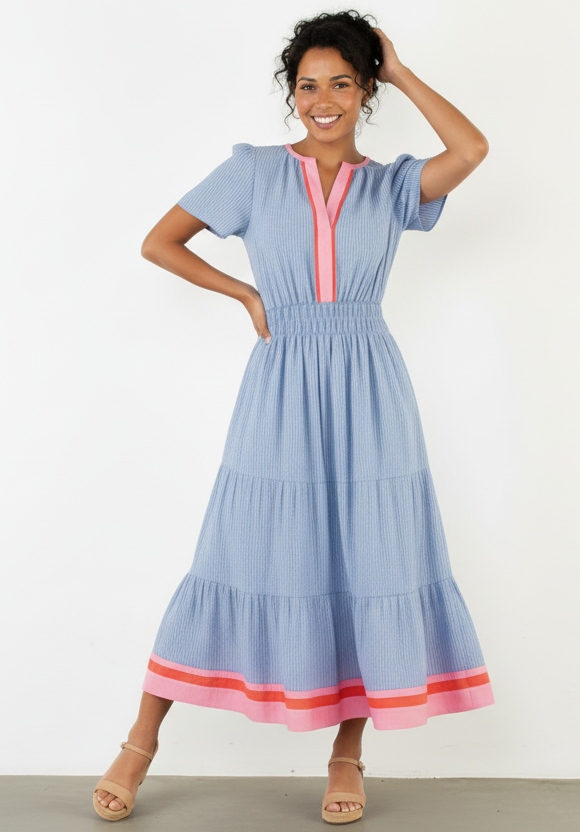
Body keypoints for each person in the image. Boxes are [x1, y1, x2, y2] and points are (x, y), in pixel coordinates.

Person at [92, 10, 495, 824]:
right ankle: (139, 743)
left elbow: (473, 150)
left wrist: (402, 69)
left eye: (341, 83)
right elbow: (160, 242)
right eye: (307, 85)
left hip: (370, 380)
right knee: (234, 549)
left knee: (367, 558)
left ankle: (346, 756)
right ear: (291, 93)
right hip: (280, 380)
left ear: (365, 91)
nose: (322, 99)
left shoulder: (390, 184)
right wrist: (244, 292)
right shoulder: (250, 172)